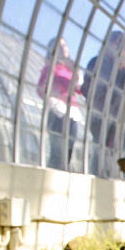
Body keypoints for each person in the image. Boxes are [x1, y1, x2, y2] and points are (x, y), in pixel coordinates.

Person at [82, 31, 125, 175]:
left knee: (111, 153)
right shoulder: (98, 63)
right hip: (103, 118)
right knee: (104, 152)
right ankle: (105, 178)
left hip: (116, 120)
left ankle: (108, 178)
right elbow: (86, 88)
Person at [37, 37, 83, 169]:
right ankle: (55, 172)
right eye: (59, 46)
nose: (63, 49)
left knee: (69, 145)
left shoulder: (70, 69)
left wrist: (77, 74)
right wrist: (54, 99)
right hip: (58, 110)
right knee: (57, 148)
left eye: (65, 46)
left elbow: (79, 90)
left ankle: (64, 171)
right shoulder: (50, 67)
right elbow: (41, 88)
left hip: (72, 110)